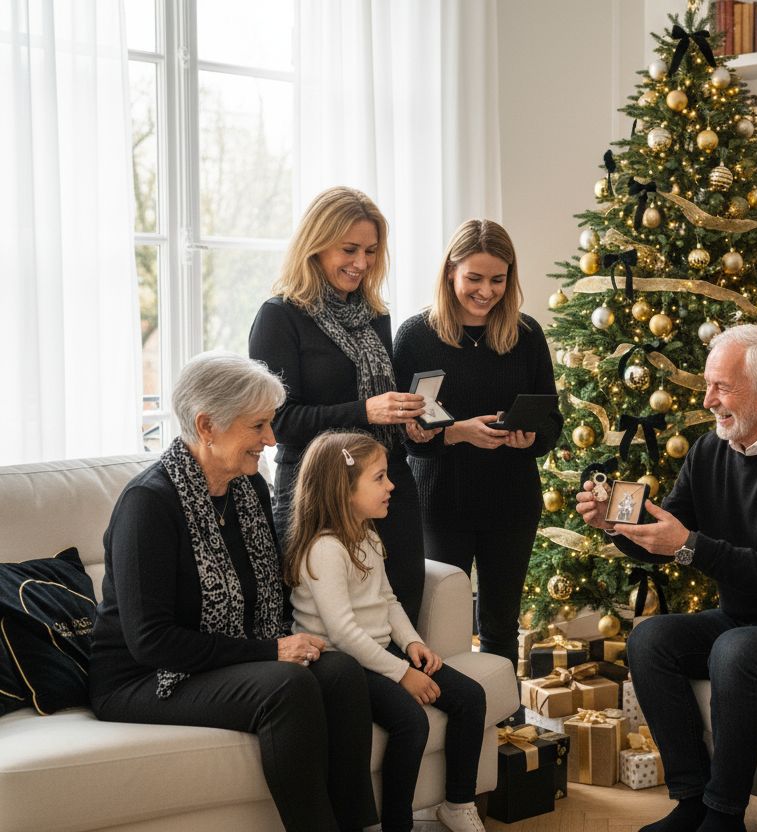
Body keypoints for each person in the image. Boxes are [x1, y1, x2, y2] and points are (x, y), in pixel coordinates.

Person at [89, 352, 377, 832]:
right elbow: (150, 641)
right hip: (142, 676)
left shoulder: (249, 490)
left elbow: (272, 591)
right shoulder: (148, 505)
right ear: (207, 425)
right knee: (287, 684)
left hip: (226, 655)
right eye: (258, 426)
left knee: (341, 671)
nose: (270, 439)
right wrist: (271, 650)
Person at [575, 324, 757, 832]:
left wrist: (690, 546)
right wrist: (616, 526)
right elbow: (665, 532)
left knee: (734, 649)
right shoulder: (709, 450)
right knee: (651, 638)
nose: (709, 399)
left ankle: (723, 815)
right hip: (740, 618)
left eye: (722, 387)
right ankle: (691, 798)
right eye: (708, 384)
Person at [285, 431, 487, 832]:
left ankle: (458, 802)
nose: (392, 484)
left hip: (378, 652)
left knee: (470, 697)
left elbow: (388, 601)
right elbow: (342, 632)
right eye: (379, 478)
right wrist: (401, 674)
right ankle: (398, 824)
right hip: (341, 663)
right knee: (411, 722)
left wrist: (412, 643)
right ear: (344, 489)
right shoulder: (326, 549)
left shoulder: (366, 534)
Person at [249, 186, 435, 622]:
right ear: (315, 245)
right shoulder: (280, 316)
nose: (362, 263)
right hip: (316, 493)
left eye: (371, 251)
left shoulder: (374, 314)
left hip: (388, 485)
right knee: (325, 628)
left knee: (400, 618)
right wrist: (364, 411)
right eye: (349, 249)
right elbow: (277, 422)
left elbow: (383, 406)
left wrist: (408, 423)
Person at [392, 219, 561, 668]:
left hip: (511, 502)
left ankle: (506, 725)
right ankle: (449, 725)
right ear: (450, 271)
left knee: (501, 626)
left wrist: (528, 438)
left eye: (498, 280)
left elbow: (552, 424)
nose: (486, 291)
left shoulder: (526, 335)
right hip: (440, 502)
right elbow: (406, 436)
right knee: (439, 630)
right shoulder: (416, 336)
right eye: (475, 278)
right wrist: (457, 431)